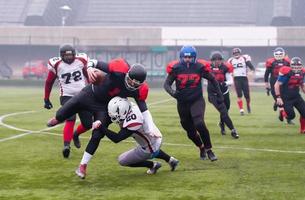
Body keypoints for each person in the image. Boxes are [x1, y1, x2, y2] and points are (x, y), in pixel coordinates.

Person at [47, 58, 153, 178]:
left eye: (136, 83)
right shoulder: (119, 71)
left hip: (103, 107)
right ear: (127, 74)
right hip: (89, 94)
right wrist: (90, 68)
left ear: (141, 84)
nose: (132, 84)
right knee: (61, 114)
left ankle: (82, 166)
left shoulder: (138, 91)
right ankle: (58, 119)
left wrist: (150, 128)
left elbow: (144, 109)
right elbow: (95, 62)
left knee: (97, 134)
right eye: (130, 80)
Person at [76, 97, 179, 178]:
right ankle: (171, 160)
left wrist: (101, 126)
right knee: (150, 146)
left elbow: (116, 138)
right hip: (155, 137)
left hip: (149, 146)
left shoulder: (133, 122)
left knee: (122, 160)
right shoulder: (129, 106)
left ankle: (153, 165)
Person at [164, 45, 222, 161]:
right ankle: (201, 147)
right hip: (182, 103)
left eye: (190, 57)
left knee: (199, 123)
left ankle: (209, 150)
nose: (187, 59)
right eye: (185, 57)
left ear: (194, 57)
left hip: (197, 100)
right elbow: (166, 84)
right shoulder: (176, 68)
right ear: (181, 57)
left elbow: (213, 79)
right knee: (190, 131)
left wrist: (219, 94)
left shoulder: (199, 67)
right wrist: (173, 93)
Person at [44, 44, 91, 158]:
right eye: (66, 55)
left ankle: (75, 135)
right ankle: (66, 145)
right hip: (66, 95)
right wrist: (46, 98)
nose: (69, 57)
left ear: (74, 55)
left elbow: (88, 76)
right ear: (61, 56)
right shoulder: (56, 64)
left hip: (82, 94)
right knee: (70, 118)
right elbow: (49, 82)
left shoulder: (81, 60)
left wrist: (91, 90)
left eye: (71, 55)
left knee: (88, 124)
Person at [207, 51, 239, 138]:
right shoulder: (208, 68)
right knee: (223, 111)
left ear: (222, 60)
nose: (217, 61)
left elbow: (230, 80)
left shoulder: (225, 68)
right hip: (213, 94)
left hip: (224, 93)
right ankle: (233, 130)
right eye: (215, 60)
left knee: (226, 110)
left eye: (219, 60)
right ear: (212, 61)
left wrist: (225, 83)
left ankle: (222, 123)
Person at [274, 57, 305, 133]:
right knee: (291, 116)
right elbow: (276, 85)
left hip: (296, 96)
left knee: (304, 112)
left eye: (298, 66)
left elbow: (302, 85)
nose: (296, 67)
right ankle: (282, 112)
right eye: (294, 65)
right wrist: (278, 97)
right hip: (286, 97)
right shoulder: (287, 73)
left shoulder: (302, 73)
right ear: (291, 66)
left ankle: (303, 129)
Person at [264, 47, 292, 123]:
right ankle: (286, 117)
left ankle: (282, 112)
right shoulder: (271, 62)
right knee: (278, 98)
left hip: (284, 82)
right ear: (274, 54)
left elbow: (290, 74)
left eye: (280, 54)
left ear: (283, 54)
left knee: (285, 100)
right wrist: (267, 85)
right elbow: (266, 74)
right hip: (273, 82)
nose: (279, 56)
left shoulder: (287, 62)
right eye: (277, 54)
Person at [228, 47, 255, 115]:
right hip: (236, 79)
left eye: (237, 53)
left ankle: (248, 105)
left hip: (244, 78)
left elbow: (251, 67)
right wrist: (230, 75)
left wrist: (251, 72)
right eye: (235, 53)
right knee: (239, 95)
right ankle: (241, 110)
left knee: (247, 95)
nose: (236, 54)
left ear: (240, 53)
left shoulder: (245, 58)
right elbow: (227, 70)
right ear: (233, 54)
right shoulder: (231, 60)